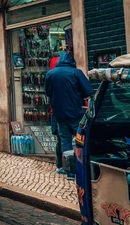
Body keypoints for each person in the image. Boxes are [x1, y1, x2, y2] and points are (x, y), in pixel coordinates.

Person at [45, 51, 93, 179]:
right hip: (76, 112)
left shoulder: (50, 74)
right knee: (81, 140)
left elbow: (47, 92)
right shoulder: (76, 72)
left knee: (64, 141)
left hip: (59, 114)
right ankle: (83, 167)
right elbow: (88, 91)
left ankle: (69, 172)